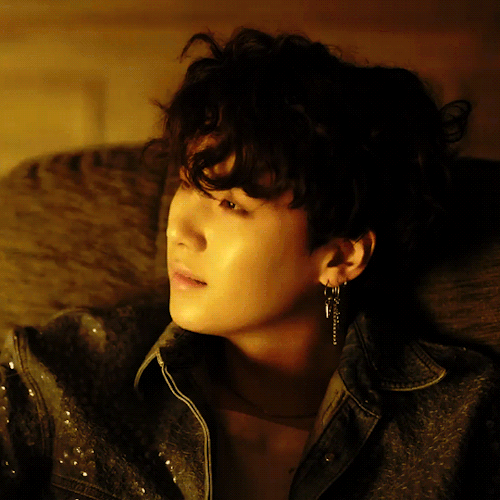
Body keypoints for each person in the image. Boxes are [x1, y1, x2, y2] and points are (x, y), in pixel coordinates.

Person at [1, 27, 498, 500]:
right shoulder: (61, 375)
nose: (179, 231)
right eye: (188, 184)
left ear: (342, 256)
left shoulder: (461, 421)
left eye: (230, 204)